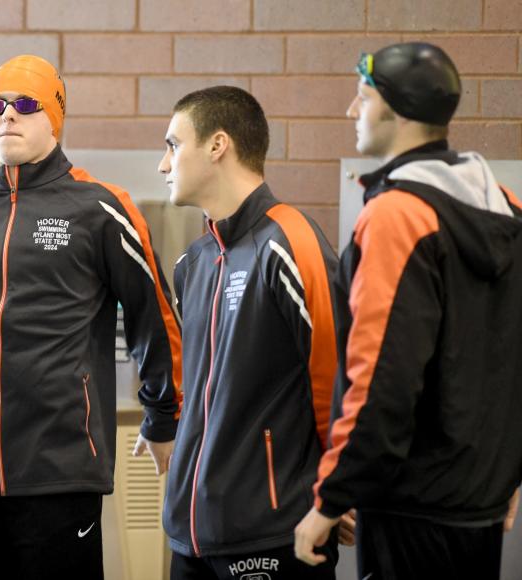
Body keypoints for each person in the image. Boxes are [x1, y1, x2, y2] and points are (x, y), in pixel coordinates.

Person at [0, 54, 182, 579]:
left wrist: (163, 414)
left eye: (25, 105)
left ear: (55, 116)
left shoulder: (99, 209)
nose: (8, 116)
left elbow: (154, 316)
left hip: (60, 472)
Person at [294, 42, 522, 579]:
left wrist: (331, 498)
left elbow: (380, 377)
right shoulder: (508, 208)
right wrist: (508, 475)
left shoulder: (398, 216)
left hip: (410, 510)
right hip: (480, 504)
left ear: (396, 109)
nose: (352, 112)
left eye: (362, 97)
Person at [157, 86, 342, 580]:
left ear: (218, 145)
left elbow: (338, 374)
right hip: (190, 533)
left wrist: (338, 486)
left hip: (273, 530)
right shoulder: (192, 264)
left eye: (173, 145)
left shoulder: (289, 240)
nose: (164, 164)